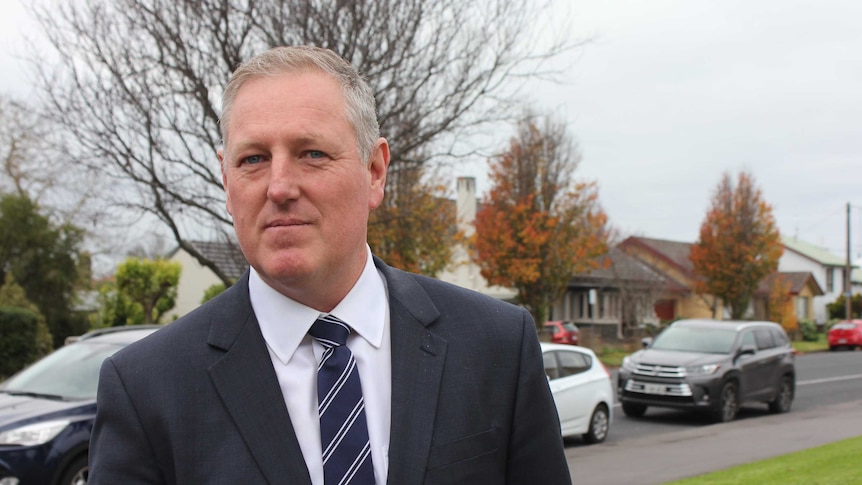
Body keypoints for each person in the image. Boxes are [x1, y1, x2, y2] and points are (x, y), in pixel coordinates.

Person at [89, 45, 571, 485]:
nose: (279, 187)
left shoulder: (497, 346)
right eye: (253, 159)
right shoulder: (146, 388)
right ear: (225, 179)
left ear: (375, 172)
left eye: (311, 153)